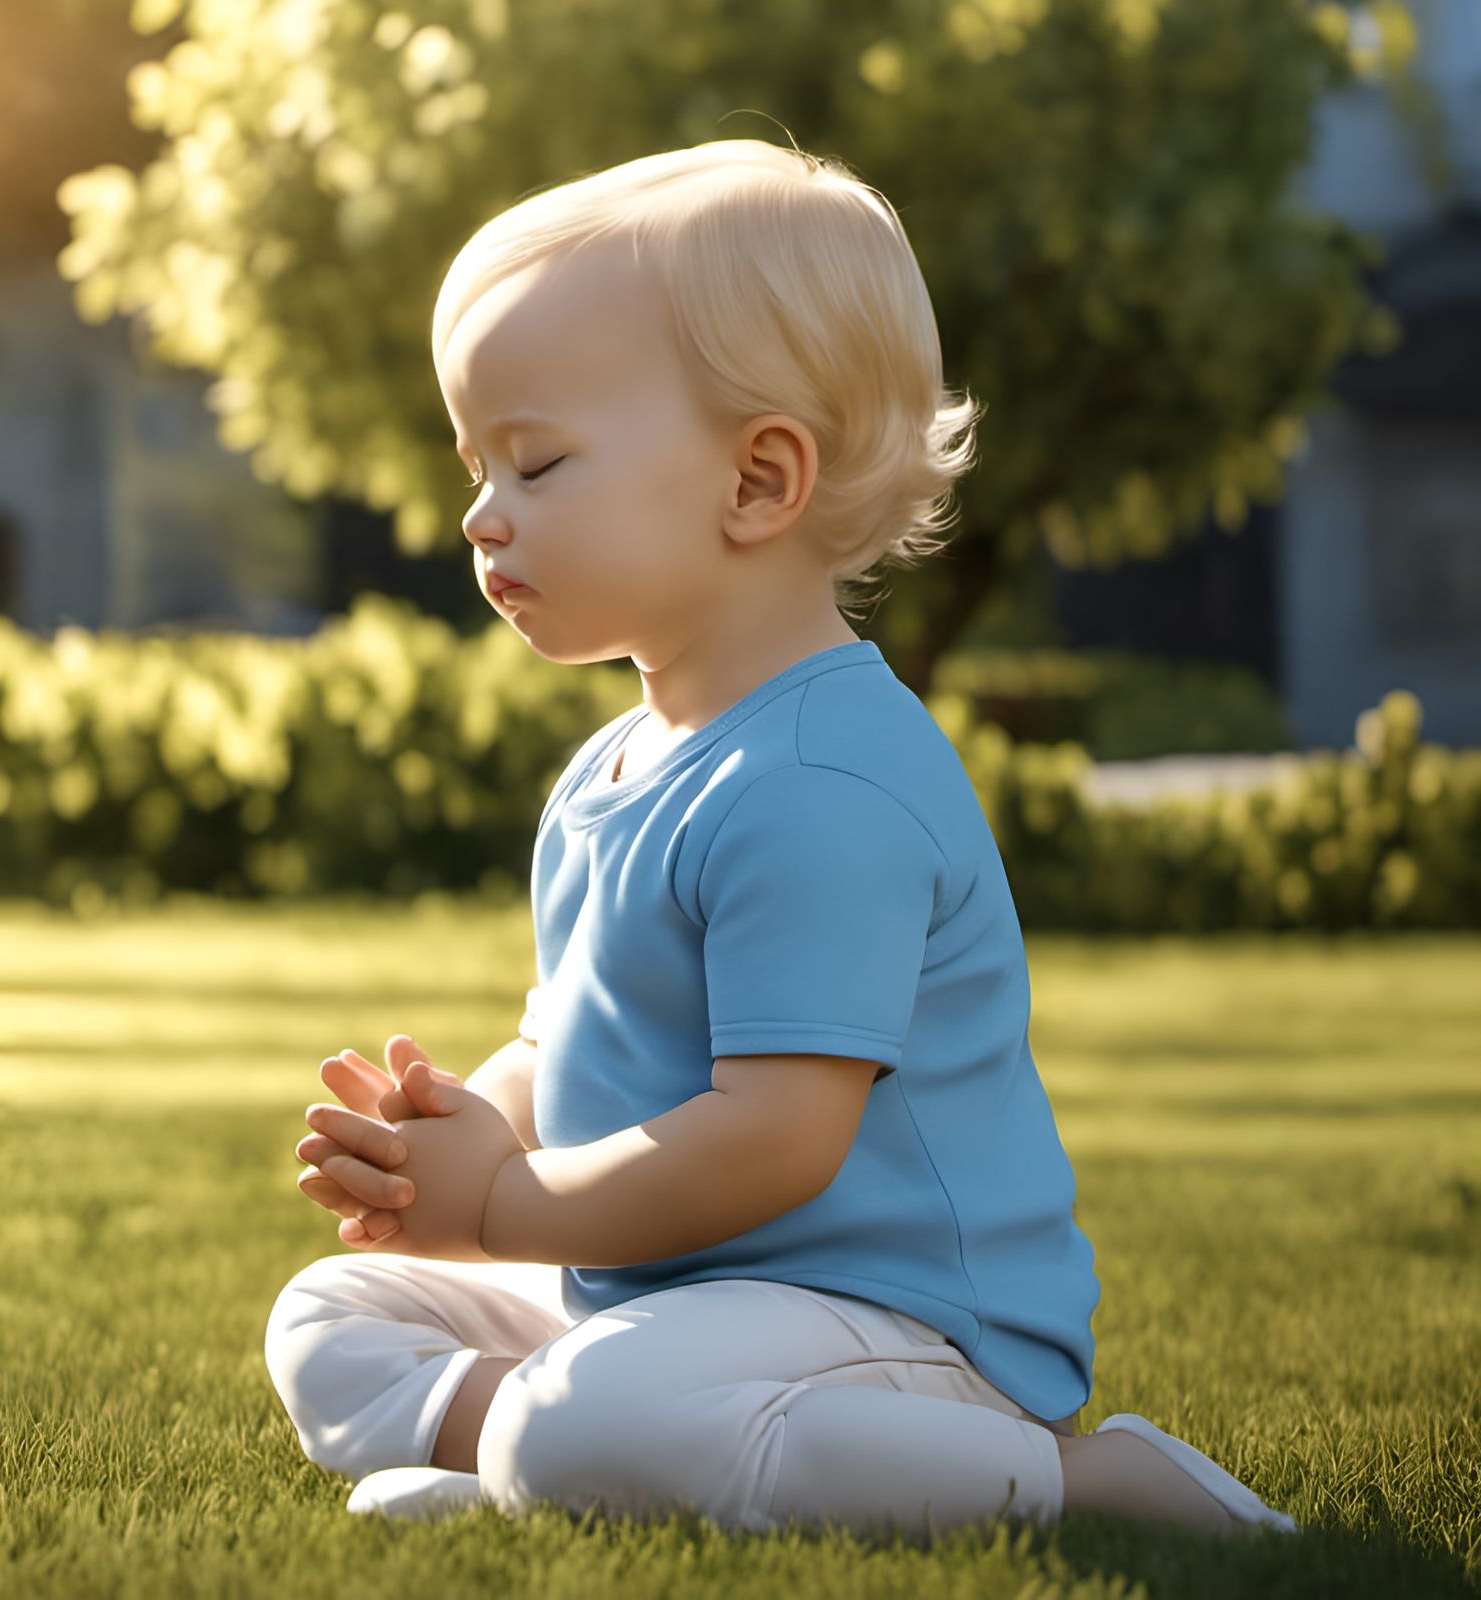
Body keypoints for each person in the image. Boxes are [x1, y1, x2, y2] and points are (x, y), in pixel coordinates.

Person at [264, 138, 1298, 1543]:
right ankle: (548, 1465)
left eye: (536, 460)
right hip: (668, 1302)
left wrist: (503, 1205)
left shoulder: (822, 781)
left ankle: (1082, 1483)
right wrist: (460, 1131)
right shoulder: (612, 771)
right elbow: (570, 1042)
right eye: (477, 465)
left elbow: (774, 1143)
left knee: (591, 1415)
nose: (479, 514)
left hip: (894, 1327)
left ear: (758, 482)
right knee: (332, 1317)